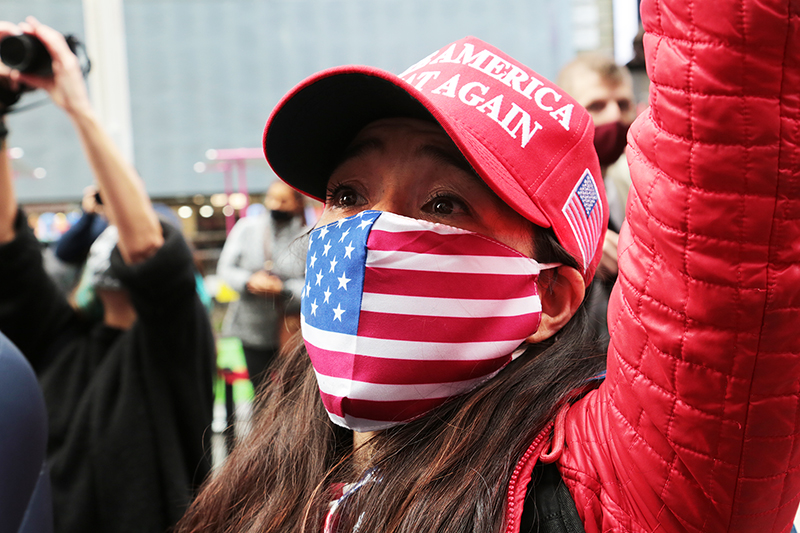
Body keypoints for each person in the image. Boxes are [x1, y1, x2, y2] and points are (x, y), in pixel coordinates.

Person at [176, 0, 800, 531]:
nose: (370, 232)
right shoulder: (277, 466)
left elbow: (734, 145)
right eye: (348, 195)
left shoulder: (607, 490)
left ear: (549, 297)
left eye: (443, 203)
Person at [0, 18, 215, 533]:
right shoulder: (63, 341)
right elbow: (7, 243)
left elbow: (147, 249)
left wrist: (76, 104)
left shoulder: (173, 350)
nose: (116, 247)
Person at [557, 53, 637, 347]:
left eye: (624, 104)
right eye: (597, 105)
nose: (615, 117)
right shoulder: (544, 191)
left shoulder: (631, 185)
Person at [216, 180, 308, 390]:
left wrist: (283, 290)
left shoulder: (307, 236)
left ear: (297, 203)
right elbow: (225, 270)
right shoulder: (246, 229)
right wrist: (249, 282)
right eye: (272, 198)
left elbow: (315, 287)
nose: (276, 205)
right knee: (258, 394)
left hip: (291, 330)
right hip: (251, 330)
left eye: (283, 200)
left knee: (291, 394)